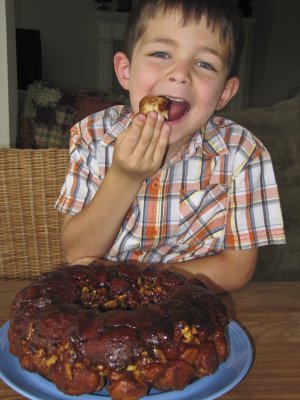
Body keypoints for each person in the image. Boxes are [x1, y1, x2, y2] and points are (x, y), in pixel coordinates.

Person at [55, 0, 285, 293]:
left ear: (224, 93)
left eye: (204, 63)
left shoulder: (244, 154)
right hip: (106, 308)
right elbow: (77, 253)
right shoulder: (92, 135)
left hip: (188, 303)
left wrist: (139, 278)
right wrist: (125, 177)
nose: (180, 73)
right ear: (125, 71)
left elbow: (237, 268)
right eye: (161, 53)